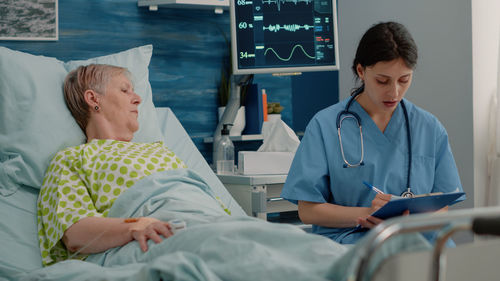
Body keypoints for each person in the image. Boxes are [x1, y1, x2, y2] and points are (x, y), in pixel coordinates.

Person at [280, 21, 465, 244]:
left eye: (404, 80)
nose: (394, 92)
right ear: (361, 71)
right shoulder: (325, 125)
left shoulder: (428, 127)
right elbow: (308, 210)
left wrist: (412, 218)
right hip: (353, 241)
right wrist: (368, 214)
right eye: (382, 81)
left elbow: (442, 205)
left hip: (419, 240)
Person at [37, 64, 190, 266]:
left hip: (205, 219)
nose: (137, 99)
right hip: (153, 239)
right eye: (125, 90)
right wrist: (136, 226)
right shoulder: (73, 158)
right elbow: (75, 234)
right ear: (93, 99)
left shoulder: (160, 150)